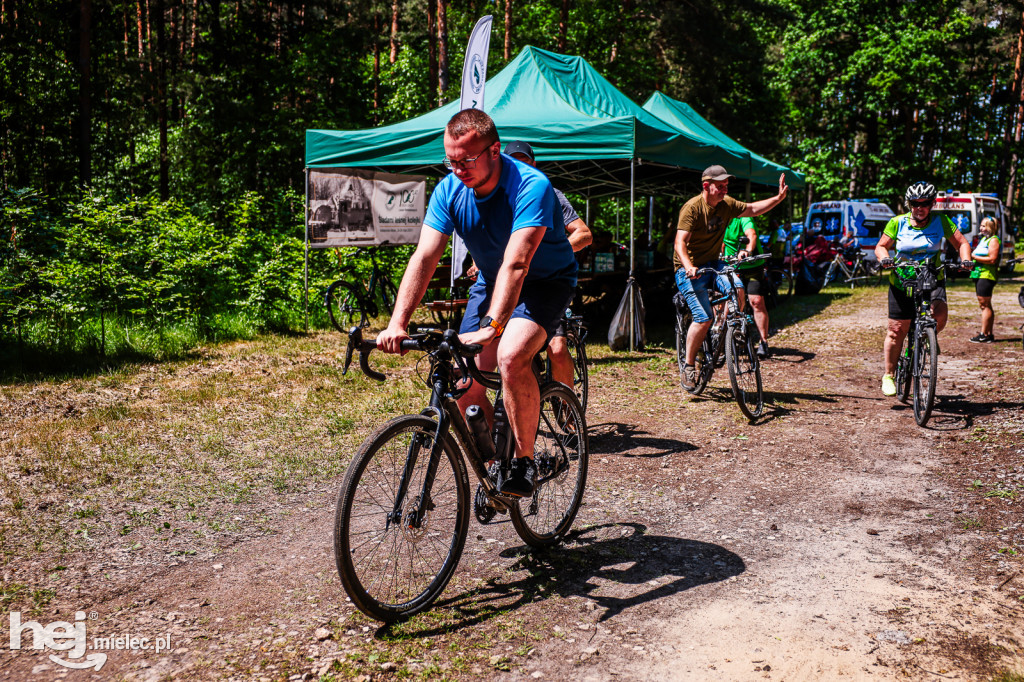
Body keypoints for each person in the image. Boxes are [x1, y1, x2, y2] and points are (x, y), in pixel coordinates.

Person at [377, 109, 577, 498]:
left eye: (467, 160)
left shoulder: (531, 185)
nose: (458, 169)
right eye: (450, 160)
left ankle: (523, 461)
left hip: (545, 282)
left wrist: (494, 328)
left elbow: (517, 263)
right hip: (489, 281)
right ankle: (492, 466)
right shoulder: (449, 189)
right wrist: (397, 322)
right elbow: (425, 257)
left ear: (495, 150)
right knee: (461, 378)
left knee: (510, 355)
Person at [466, 141, 593, 388]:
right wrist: (479, 263)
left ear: (533, 164)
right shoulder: (497, 197)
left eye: (523, 161)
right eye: (512, 161)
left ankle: (568, 411)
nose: (518, 166)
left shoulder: (549, 194)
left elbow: (584, 234)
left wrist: (552, 252)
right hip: (508, 283)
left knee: (556, 348)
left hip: (546, 281)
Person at [675, 165, 789, 390]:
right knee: (703, 317)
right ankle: (689, 365)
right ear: (706, 186)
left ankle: (732, 328)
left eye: (726, 185)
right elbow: (680, 242)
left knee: (737, 286)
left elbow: (753, 209)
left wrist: (778, 198)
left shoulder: (727, 205)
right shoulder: (692, 208)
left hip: (714, 262)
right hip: (689, 268)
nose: (724, 190)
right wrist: (689, 267)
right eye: (720, 186)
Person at [874, 181, 973, 396]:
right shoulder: (897, 222)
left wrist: (966, 260)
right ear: (909, 204)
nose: (920, 208)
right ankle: (889, 375)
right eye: (915, 203)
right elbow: (881, 246)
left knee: (940, 316)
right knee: (896, 330)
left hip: (931, 278)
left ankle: (926, 337)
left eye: (925, 203)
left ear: (932, 204)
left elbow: (962, 243)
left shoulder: (942, 222)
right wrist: (885, 259)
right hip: (902, 280)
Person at [723, 215, 771, 358]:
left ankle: (763, 342)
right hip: (732, 266)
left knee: (756, 302)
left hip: (752, 265)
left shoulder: (742, 218)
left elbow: (752, 235)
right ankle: (732, 340)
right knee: (733, 303)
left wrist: (748, 250)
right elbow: (721, 241)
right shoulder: (718, 218)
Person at [968, 217, 1001, 343]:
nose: (981, 228)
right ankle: (988, 333)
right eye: (981, 226)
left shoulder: (993, 240)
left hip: (986, 275)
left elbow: (992, 259)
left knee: (984, 305)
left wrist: (974, 256)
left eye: (984, 226)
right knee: (986, 305)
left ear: (991, 228)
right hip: (979, 274)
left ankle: (983, 334)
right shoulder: (984, 239)